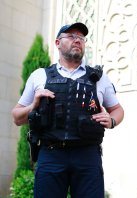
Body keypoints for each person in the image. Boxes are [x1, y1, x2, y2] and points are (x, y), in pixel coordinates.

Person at [11, 22, 124, 197]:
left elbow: (117, 109)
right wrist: (33, 106)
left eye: (81, 38)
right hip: (51, 155)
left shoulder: (100, 79)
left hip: (87, 156)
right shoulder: (39, 76)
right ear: (57, 43)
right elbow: (17, 117)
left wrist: (112, 120)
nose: (77, 40)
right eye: (71, 36)